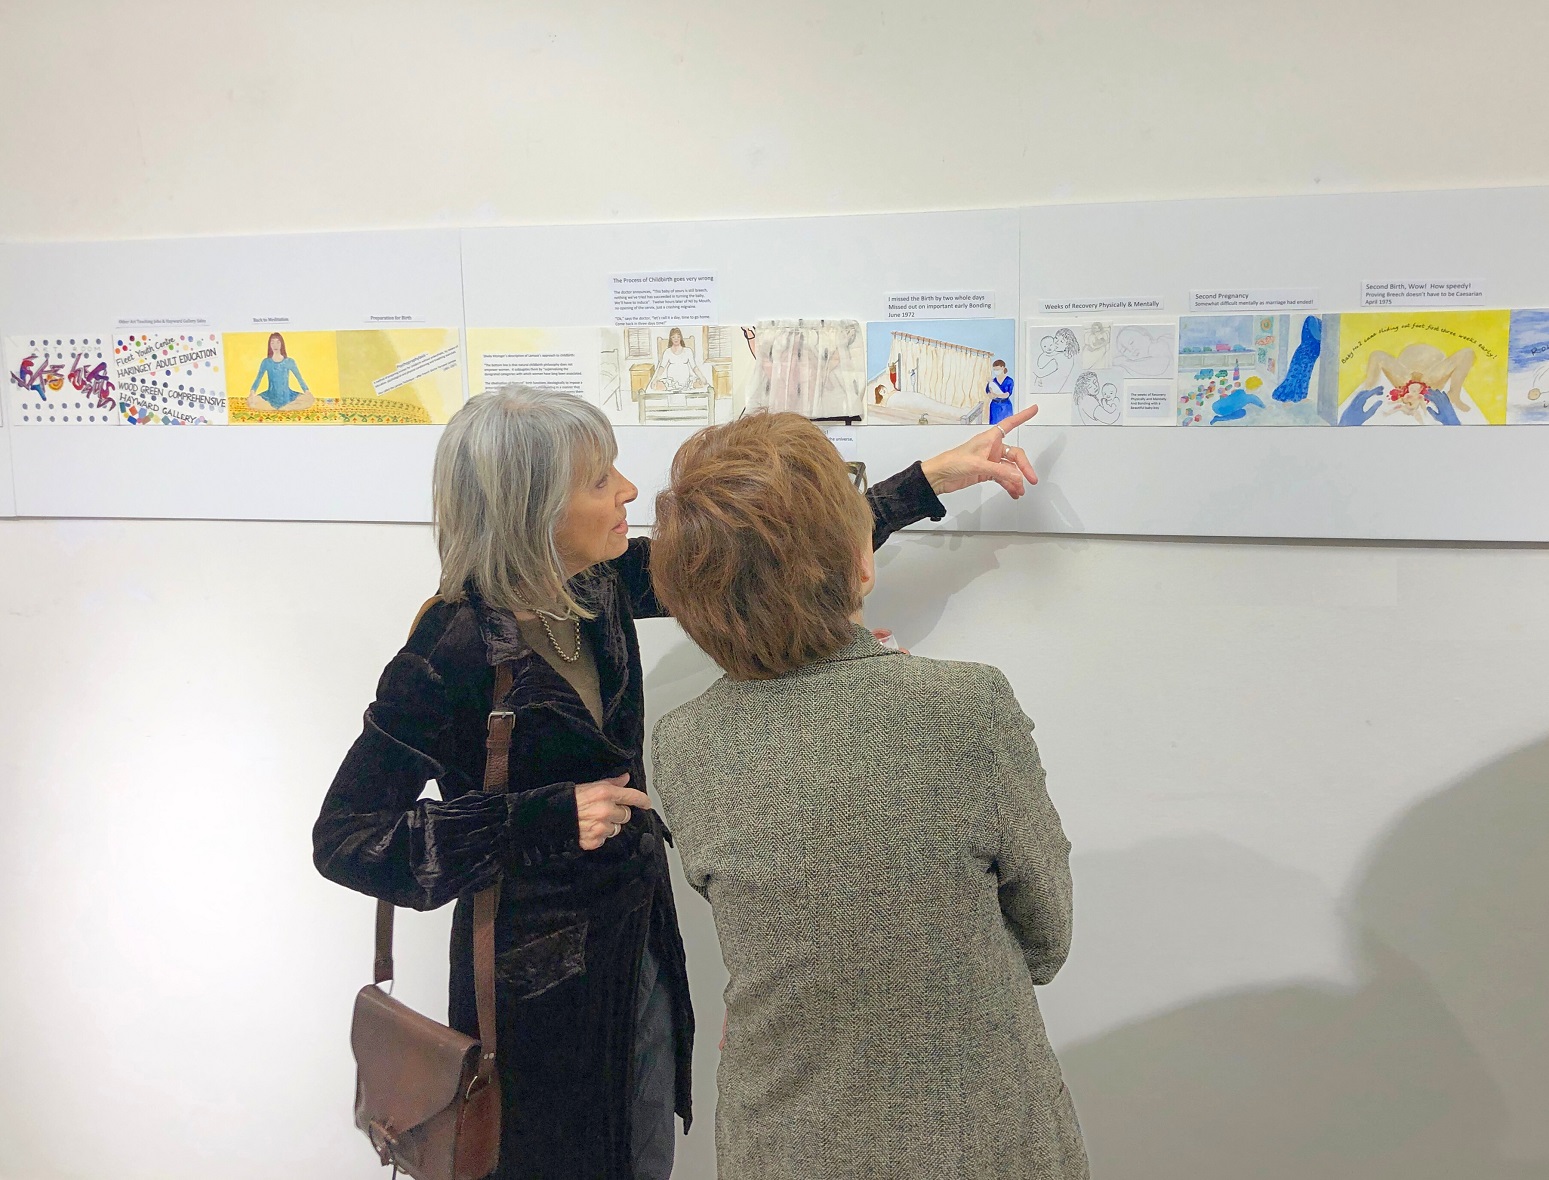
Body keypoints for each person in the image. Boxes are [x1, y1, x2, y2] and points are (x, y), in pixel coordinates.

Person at [312, 386, 1043, 1180]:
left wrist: (929, 480)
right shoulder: (449, 649)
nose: (629, 490)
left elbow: (767, 551)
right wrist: (536, 821)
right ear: (530, 507)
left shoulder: (592, 586)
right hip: (533, 1000)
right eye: (599, 480)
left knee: (640, 1150)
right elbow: (346, 838)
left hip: (637, 951)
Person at [649, 411, 1085, 1180]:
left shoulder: (682, 744)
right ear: (860, 561)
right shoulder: (965, 708)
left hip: (779, 1138)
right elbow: (1046, 937)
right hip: (974, 1131)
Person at [248, 332, 313, 411]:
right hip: (270, 396)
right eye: (272, 343)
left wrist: (307, 391)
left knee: (309, 399)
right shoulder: (266, 362)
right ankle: (276, 408)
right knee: (251, 401)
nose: (275, 345)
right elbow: (258, 378)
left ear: (282, 344)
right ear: (270, 345)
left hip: (287, 396)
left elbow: (299, 378)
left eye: (278, 342)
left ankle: (284, 408)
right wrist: (252, 392)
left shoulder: (289, 361)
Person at [988, 358, 1015, 424]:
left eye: (997, 369)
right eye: (994, 370)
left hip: (1005, 406)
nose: (996, 371)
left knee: (1007, 425)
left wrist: (997, 395)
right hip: (995, 406)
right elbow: (989, 394)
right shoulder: (993, 381)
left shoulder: (1009, 380)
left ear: (1003, 368)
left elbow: (1007, 394)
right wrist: (991, 394)